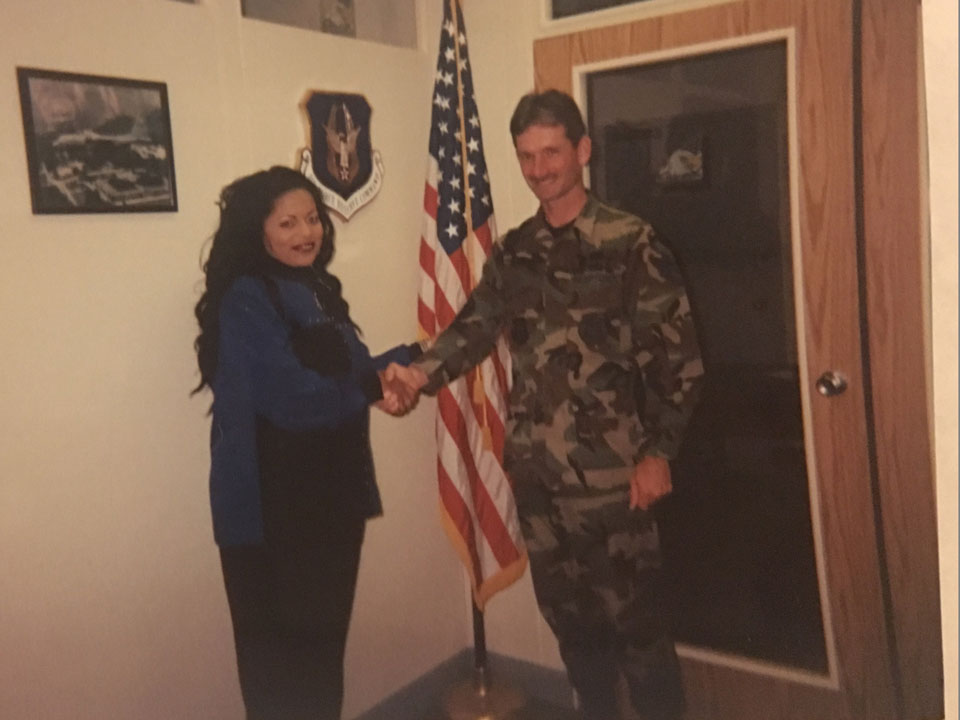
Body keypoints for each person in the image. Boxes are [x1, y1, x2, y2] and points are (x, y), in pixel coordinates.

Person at [388, 90, 703, 720]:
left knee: (640, 637)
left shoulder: (630, 241)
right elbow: (474, 327)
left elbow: (680, 365)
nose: (539, 169)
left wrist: (657, 453)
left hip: (616, 483)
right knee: (575, 635)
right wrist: (418, 375)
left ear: (582, 151)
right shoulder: (516, 250)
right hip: (539, 481)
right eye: (527, 156)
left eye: (551, 152)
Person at [192, 166, 417, 719]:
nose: (306, 233)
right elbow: (293, 400)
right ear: (257, 231)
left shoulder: (315, 289)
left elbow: (355, 373)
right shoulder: (246, 298)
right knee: (281, 682)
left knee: (320, 667)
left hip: (330, 505)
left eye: (312, 218)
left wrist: (418, 359)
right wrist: (374, 384)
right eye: (287, 222)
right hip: (274, 518)